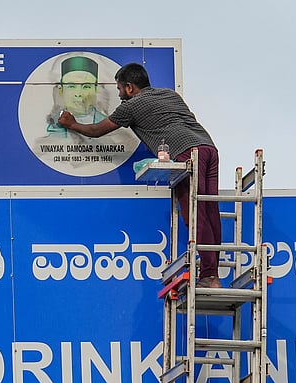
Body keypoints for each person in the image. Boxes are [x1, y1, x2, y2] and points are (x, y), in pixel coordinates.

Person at [57, 62, 221, 288]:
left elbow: (96, 131)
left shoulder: (131, 106)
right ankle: (213, 275)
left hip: (186, 153)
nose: (119, 95)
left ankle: (210, 277)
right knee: (209, 211)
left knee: (194, 213)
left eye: (120, 90)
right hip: (208, 147)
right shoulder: (169, 95)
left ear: (130, 88)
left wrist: (72, 124)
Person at [45, 55, 109, 137]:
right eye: (71, 86)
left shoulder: (109, 127)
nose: (78, 93)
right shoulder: (52, 130)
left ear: (96, 90)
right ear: (61, 90)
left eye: (86, 86)